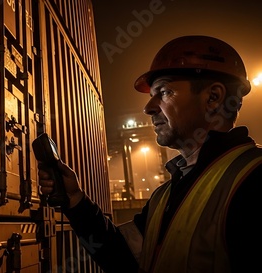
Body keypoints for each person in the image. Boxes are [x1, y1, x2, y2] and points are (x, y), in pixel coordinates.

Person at [38, 35, 262, 273]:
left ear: (213, 97)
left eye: (164, 92)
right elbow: (122, 256)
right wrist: (76, 200)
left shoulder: (253, 180)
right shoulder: (166, 194)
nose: (148, 108)